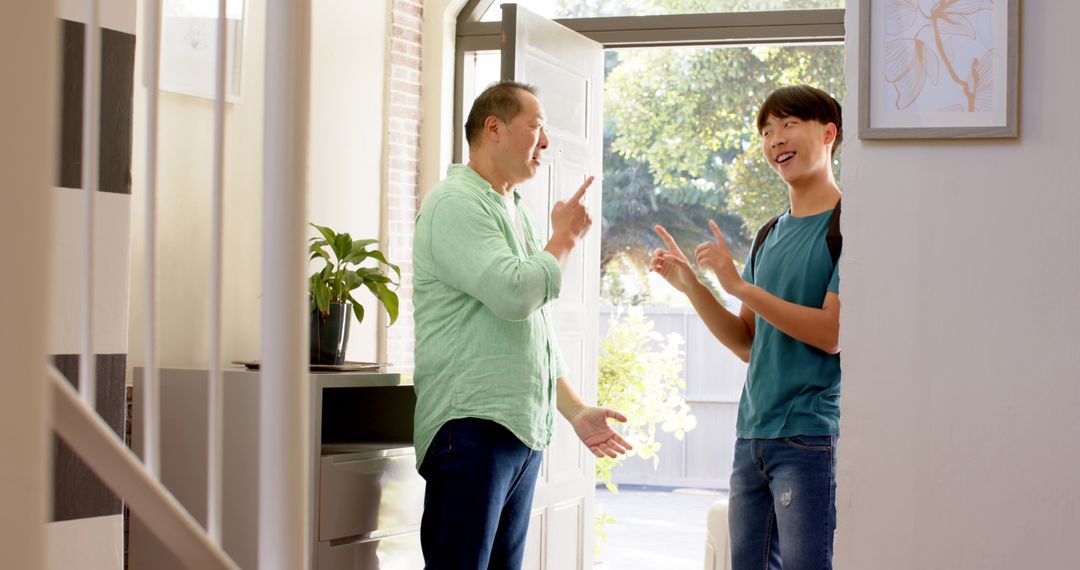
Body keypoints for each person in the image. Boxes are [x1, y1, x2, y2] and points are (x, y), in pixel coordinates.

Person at [412, 80, 631, 569]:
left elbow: (536, 331)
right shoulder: (455, 204)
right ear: (494, 128)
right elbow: (515, 294)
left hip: (517, 434)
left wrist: (574, 411)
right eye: (537, 127)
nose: (547, 143)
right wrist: (565, 238)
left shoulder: (512, 211)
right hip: (470, 428)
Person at [649, 85, 843, 570]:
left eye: (788, 124)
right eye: (766, 130)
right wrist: (693, 285)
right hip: (751, 436)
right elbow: (746, 343)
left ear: (829, 132)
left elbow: (832, 333)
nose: (775, 137)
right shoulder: (768, 235)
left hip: (808, 437)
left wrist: (738, 285)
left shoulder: (850, 224)